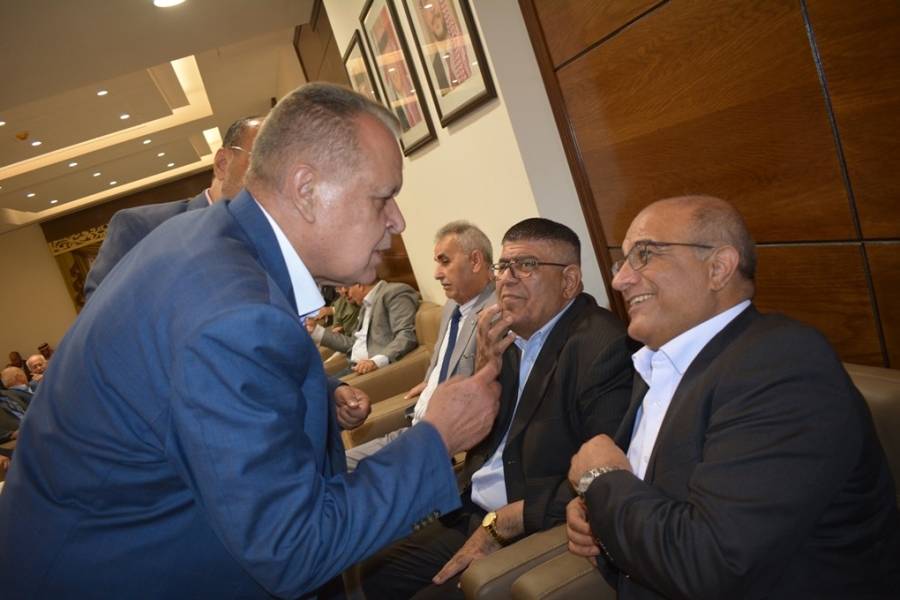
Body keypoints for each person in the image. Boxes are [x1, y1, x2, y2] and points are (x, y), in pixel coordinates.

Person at [0, 83, 501, 599]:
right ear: (306, 189)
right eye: (383, 197)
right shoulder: (235, 315)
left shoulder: (206, 243)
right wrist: (437, 436)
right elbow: (293, 547)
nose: (398, 220)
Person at [566, 196, 900, 599]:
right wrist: (600, 521)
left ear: (718, 268)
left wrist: (600, 482)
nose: (620, 280)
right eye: (622, 263)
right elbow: (652, 507)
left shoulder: (781, 365)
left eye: (644, 254)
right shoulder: (659, 365)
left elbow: (710, 563)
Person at [362, 218, 634, 598]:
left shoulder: (602, 347)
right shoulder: (503, 334)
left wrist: (505, 522)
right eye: (503, 266)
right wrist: (483, 372)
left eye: (526, 265)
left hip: (525, 522)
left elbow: (604, 475)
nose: (506, 279)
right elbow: (480, 435)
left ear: (569, 281)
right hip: (469, 504)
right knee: (370, 572)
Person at [345, 221, 496, 470]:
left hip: (439, 442)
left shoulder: (495, 312)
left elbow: (486, 386)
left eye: (445, 261)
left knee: (344, 472)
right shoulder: (452, 306)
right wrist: (431, 381)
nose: (436, 273)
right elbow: (444, 357)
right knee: (336, 465)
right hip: (415, 425)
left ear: (476, 261)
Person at [83, 115, 263, 299]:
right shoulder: (141, 226)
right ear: (222, 164)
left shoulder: (266, 242)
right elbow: (101, 305)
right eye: (262, 163)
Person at [310, 279, 419, 375]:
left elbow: (406, 334)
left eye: (347, 288)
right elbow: (353, 344)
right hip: (354, 367)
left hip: (372, 371)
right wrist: (316, 331)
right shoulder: (365, 305)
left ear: (360, 284)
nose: (345, 294)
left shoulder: (394, 292)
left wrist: (375, 362)